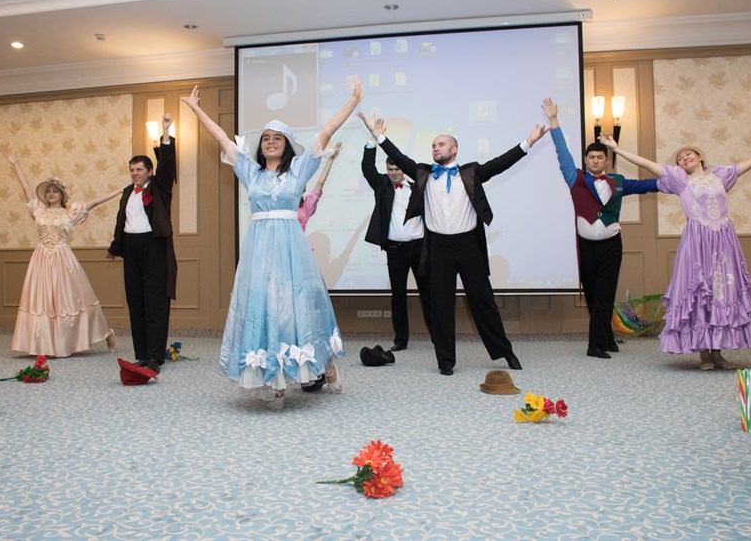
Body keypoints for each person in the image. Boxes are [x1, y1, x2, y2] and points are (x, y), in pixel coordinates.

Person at [181, 77, 363, 409]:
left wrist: (352, 101)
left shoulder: (300, 170)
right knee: (266, 310)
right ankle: (276, 383)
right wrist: (196, 110)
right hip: (260, 251)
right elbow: (221, 139)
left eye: (277, 137)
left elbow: (325, 132)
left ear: (287, 145)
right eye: (265, 138)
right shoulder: (250, 172)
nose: (270, 142)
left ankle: (326, 366)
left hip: (292, 251)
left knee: (298, 308)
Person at [358, 112, 547, 375]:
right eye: (433, 145)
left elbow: (500, 164)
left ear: (454, 149)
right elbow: (398, 156)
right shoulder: (423, 174)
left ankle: (506, 352)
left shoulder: (471, 172)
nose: (436, 148)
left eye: (441, 144)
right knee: (441, 305)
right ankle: (445, 362)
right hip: (439, 247)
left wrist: (528, 142)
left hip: (468, 245)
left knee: (483, 301)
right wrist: (377, 135)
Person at [598, 134, 751, 369]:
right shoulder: (680, 180)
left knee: (721, 293)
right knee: (700, 293)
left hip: (724, 242)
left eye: (688, 154)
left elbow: (746, 165)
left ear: (699, 157)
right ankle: (704, 355)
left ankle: (718, 353)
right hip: (697, 243)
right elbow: (647, 164)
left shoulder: (720, 176)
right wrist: (618, 149)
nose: (684, 158)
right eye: (680, 158)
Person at [541, 98, 658, 359]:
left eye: (600, 157)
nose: (595, 160)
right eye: (591, 157)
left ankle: (594, 346)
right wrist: (554, 120)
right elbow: (563, 152)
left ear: (606, 160)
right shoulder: (575, 178)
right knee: (594, 296)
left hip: (611, 246)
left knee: (604, 294)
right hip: (586, 247)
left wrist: (678, 179)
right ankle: (607, 336)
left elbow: (650, 185)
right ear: (586, 160)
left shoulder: (618, 181)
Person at [3, 150, 121, 357]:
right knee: (42, 301)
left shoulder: (70, 212)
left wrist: (120, 190)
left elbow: (95, 202)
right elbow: (26, 188)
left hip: (62, 259)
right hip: (40, 259)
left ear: (62, 195)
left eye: (55, 191)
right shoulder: (38, 210)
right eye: (48, 191)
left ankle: (106, 333)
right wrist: (16, 164)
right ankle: (47, 344)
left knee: (70, 300)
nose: (51, 194)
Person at [107, 113, 177, 375]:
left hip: (154, 247)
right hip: (132, 249)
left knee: (155, 303)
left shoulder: (159, 187)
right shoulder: (128, 192)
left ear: (149, 171)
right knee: (136, 302)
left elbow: (167, 165)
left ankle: (156, 357)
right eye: (132, 170)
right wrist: (116, 248)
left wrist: (166, 133)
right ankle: (143, 355)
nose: (135, 173)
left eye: (139, 169)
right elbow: (121, 222)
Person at [361, 125, 433, 352]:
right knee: (398, 296)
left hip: (419, 248)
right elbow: (367, 168)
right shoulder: (382, 185)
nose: (393, 173)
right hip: (395, 249)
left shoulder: (419, 186)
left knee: (428, 294)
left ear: (404, 169)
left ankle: (437, 336)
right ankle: (401, 340)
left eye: (396, 169)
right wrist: (372, 141)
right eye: (389, 169)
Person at [298, 142, 342, 231]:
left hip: (298, 240)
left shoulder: (306, 206)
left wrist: (331, 160)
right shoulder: (279, 202)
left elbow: (320, 183)